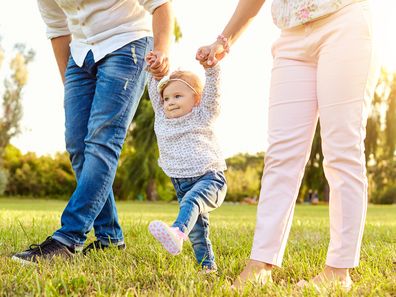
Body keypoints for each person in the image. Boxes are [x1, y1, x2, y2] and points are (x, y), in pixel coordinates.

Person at [196, 0, 378, 290]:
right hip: (291, 36)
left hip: (344, 21)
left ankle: (339, 271)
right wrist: (224, 40)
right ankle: (260, 263)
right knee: (281, 155)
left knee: (341, 150)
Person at [12, 0, 173, 264]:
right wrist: (73, 92)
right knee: (77, 145)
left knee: (102, 141)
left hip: (127, 43)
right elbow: (57, 30)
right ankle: (110, 238)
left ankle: (68, 238)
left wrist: (163, 49)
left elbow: (160, 4)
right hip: (80, 54)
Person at [145, 51, 227, 272]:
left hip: (210, 179)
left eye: (178, 96)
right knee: (199, 233)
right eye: (167, 98)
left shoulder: (203, 114)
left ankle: (177, 232)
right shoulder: (162, 117)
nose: (170, 102)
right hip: (181, 182)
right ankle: (208, 268)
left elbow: (213, 94)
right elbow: (154, 89)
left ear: (196, 98)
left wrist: (211, 69)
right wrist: (154, 69)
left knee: (191, 202)